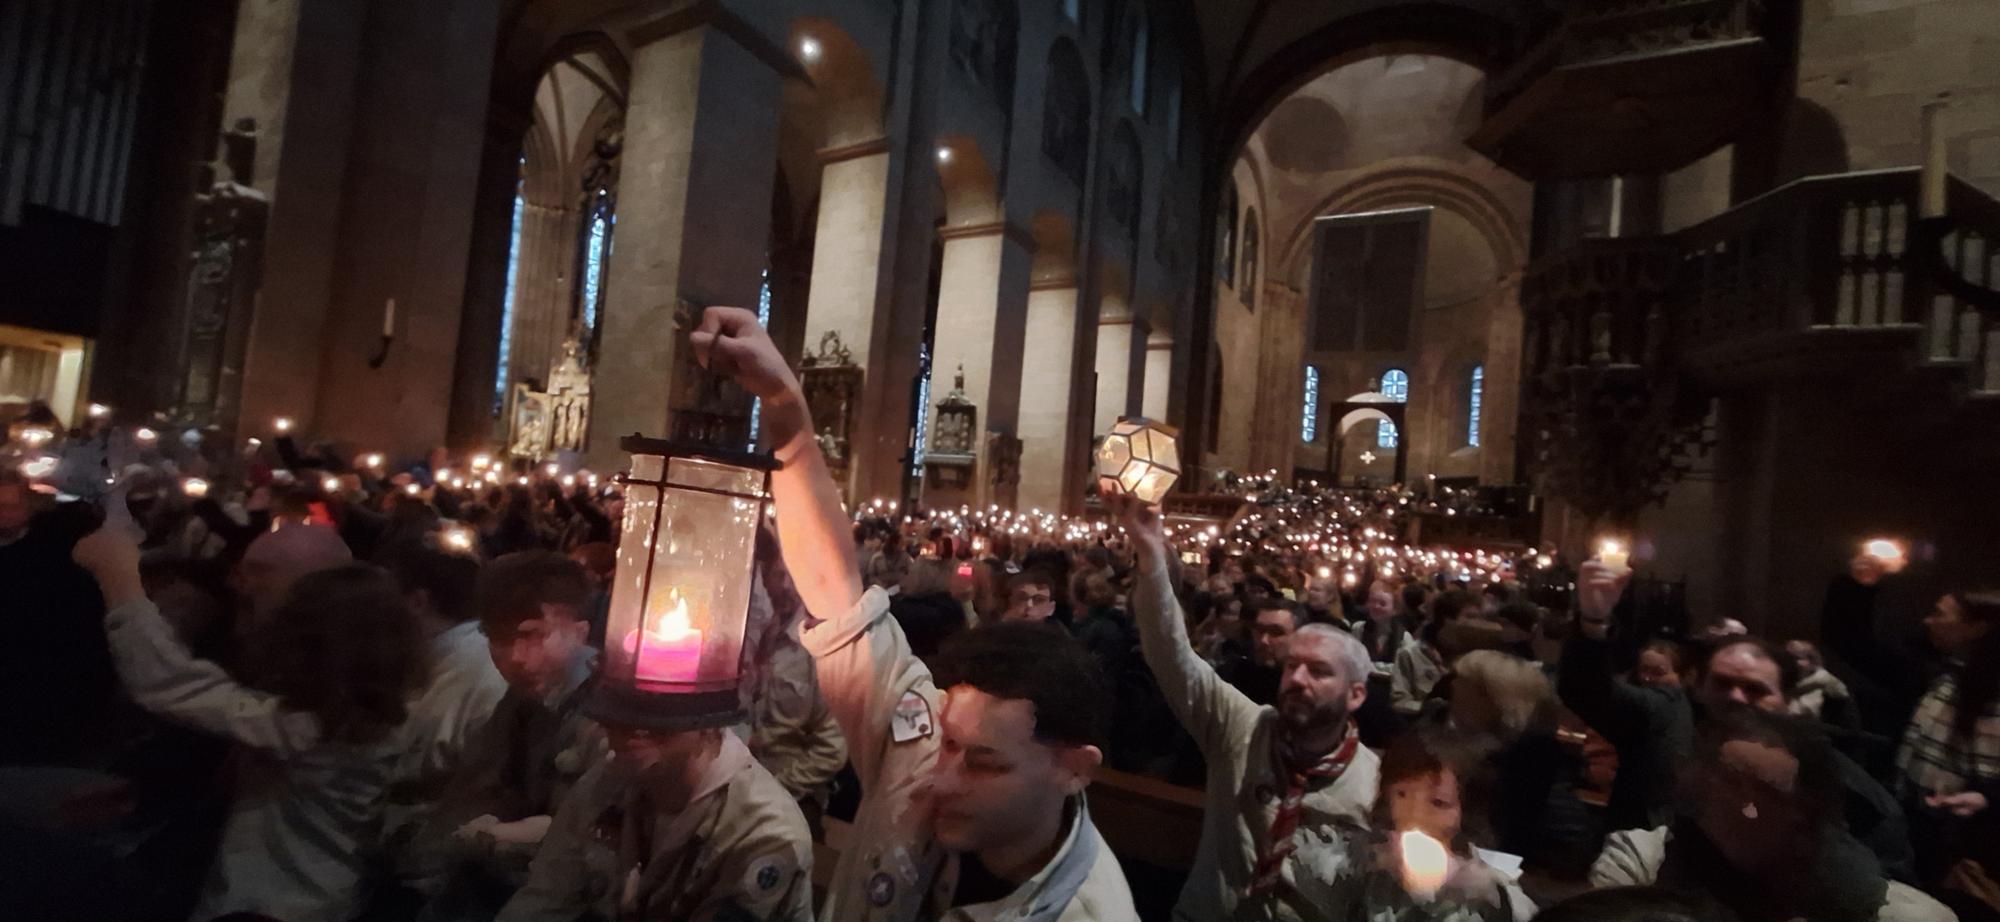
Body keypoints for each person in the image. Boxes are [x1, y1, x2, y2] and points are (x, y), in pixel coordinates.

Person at [692, 305, 1136, 920]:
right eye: (951, 744)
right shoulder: (919, 738)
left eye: (983, 763)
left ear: (1074, 769)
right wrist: (787, 411)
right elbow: (834, 591)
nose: (941, 778)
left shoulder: (1092, 914)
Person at [72, 526, 429, 922]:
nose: (240, 584)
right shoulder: (381, 715)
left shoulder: (310, 729)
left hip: (278, 908)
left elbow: (169, 682)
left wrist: (118, 575)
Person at [1117, 493, 1381, 921]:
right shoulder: (1244, 725)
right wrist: (1151, 555)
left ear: (1355, 695)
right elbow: (1172, 654)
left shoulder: (1374, 786)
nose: (1296, 679)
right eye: (1292, 666)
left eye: (1318, 671)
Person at [1589, 706, 1954, 922]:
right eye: (1729, 783)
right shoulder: (1641, 863)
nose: (1745, 809)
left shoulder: (1885, 907)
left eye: (1768, 795)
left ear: (1804, 812)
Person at [408, 551, 606, 921]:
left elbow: (588, 838)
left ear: (579, 630)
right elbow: (479, 784)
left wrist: (488, 838)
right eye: (498, 637)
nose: (515, 656)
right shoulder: (524, 698)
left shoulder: (607, 716)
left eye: (533, 634)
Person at [378, 542, 508, 889]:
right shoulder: (449, 656)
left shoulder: (468, 668)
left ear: (417, 602)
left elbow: (408, 761)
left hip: (430, 865)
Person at [1560, 560, 1695, 833]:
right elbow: (1587, 690)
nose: (1646, 678)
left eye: (1657, 672)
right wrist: (1593, 622)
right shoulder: (1655, 705)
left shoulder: (1673, 705)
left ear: (1687, 676)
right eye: (1642, 670)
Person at [1226, 599, 1299, 706]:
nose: (1263, 640)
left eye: (1276, 632)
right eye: (1259, 630)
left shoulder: (1302, 688)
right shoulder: (1235, 675)